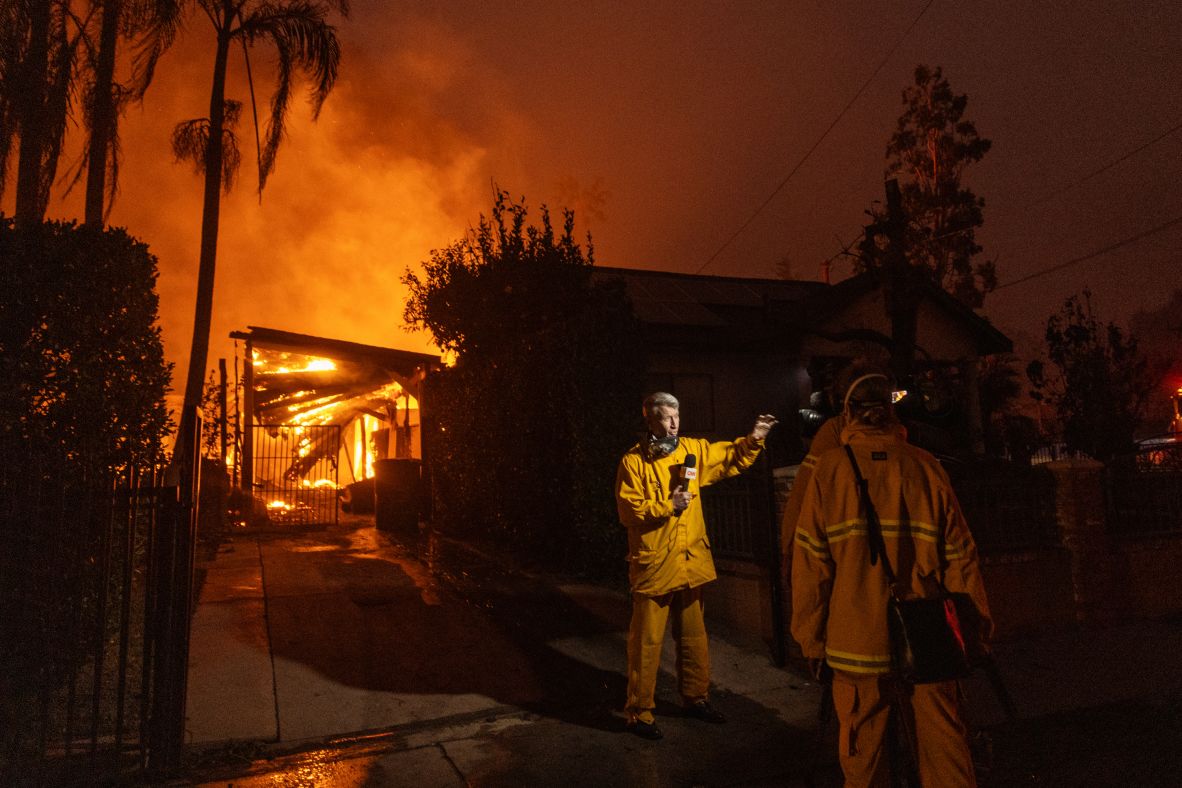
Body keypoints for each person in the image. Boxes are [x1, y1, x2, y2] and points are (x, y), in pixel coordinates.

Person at [791, 370, 992, 787]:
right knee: (946, 752)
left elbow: (811, 567)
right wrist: (977, 631)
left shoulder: (829, 471)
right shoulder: (926, 467)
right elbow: (961, 558)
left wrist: (811, 640)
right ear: (890, 411)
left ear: (848, 413)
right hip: (929, 636)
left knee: (864, 761)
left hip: (855, 641)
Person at [616, 391, 777, 740]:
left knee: (694, 637)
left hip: (690, 561)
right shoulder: (633, 462)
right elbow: (629, 510)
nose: (674, 423)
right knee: (646, 643)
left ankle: (696, 698)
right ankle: (640, 712)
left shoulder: (694, 450)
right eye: (666, 417)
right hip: (656, 565)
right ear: (650, 420)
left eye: (677, 415)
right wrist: (667, 505)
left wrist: (754, 439)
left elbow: (729, 458)